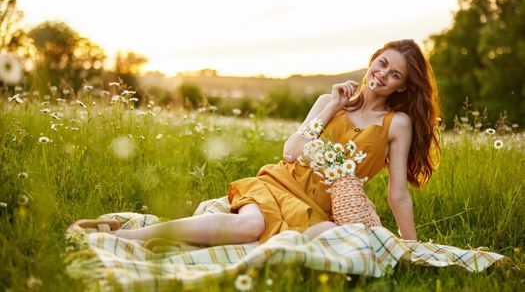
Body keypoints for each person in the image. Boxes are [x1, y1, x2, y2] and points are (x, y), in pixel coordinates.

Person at [71, 39, 441, 246]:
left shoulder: (397, 123)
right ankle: (130, 236)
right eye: (381, 64)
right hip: (282, 183)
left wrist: (412, 246)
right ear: (372, 60)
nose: (382, 76)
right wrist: (331, 108)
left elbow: (398, 194)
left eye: (394, 75)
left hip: (323, 208)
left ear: (403, 86)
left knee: (324, 237)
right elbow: (292, 151)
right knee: (248, 228)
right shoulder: (329, 103)